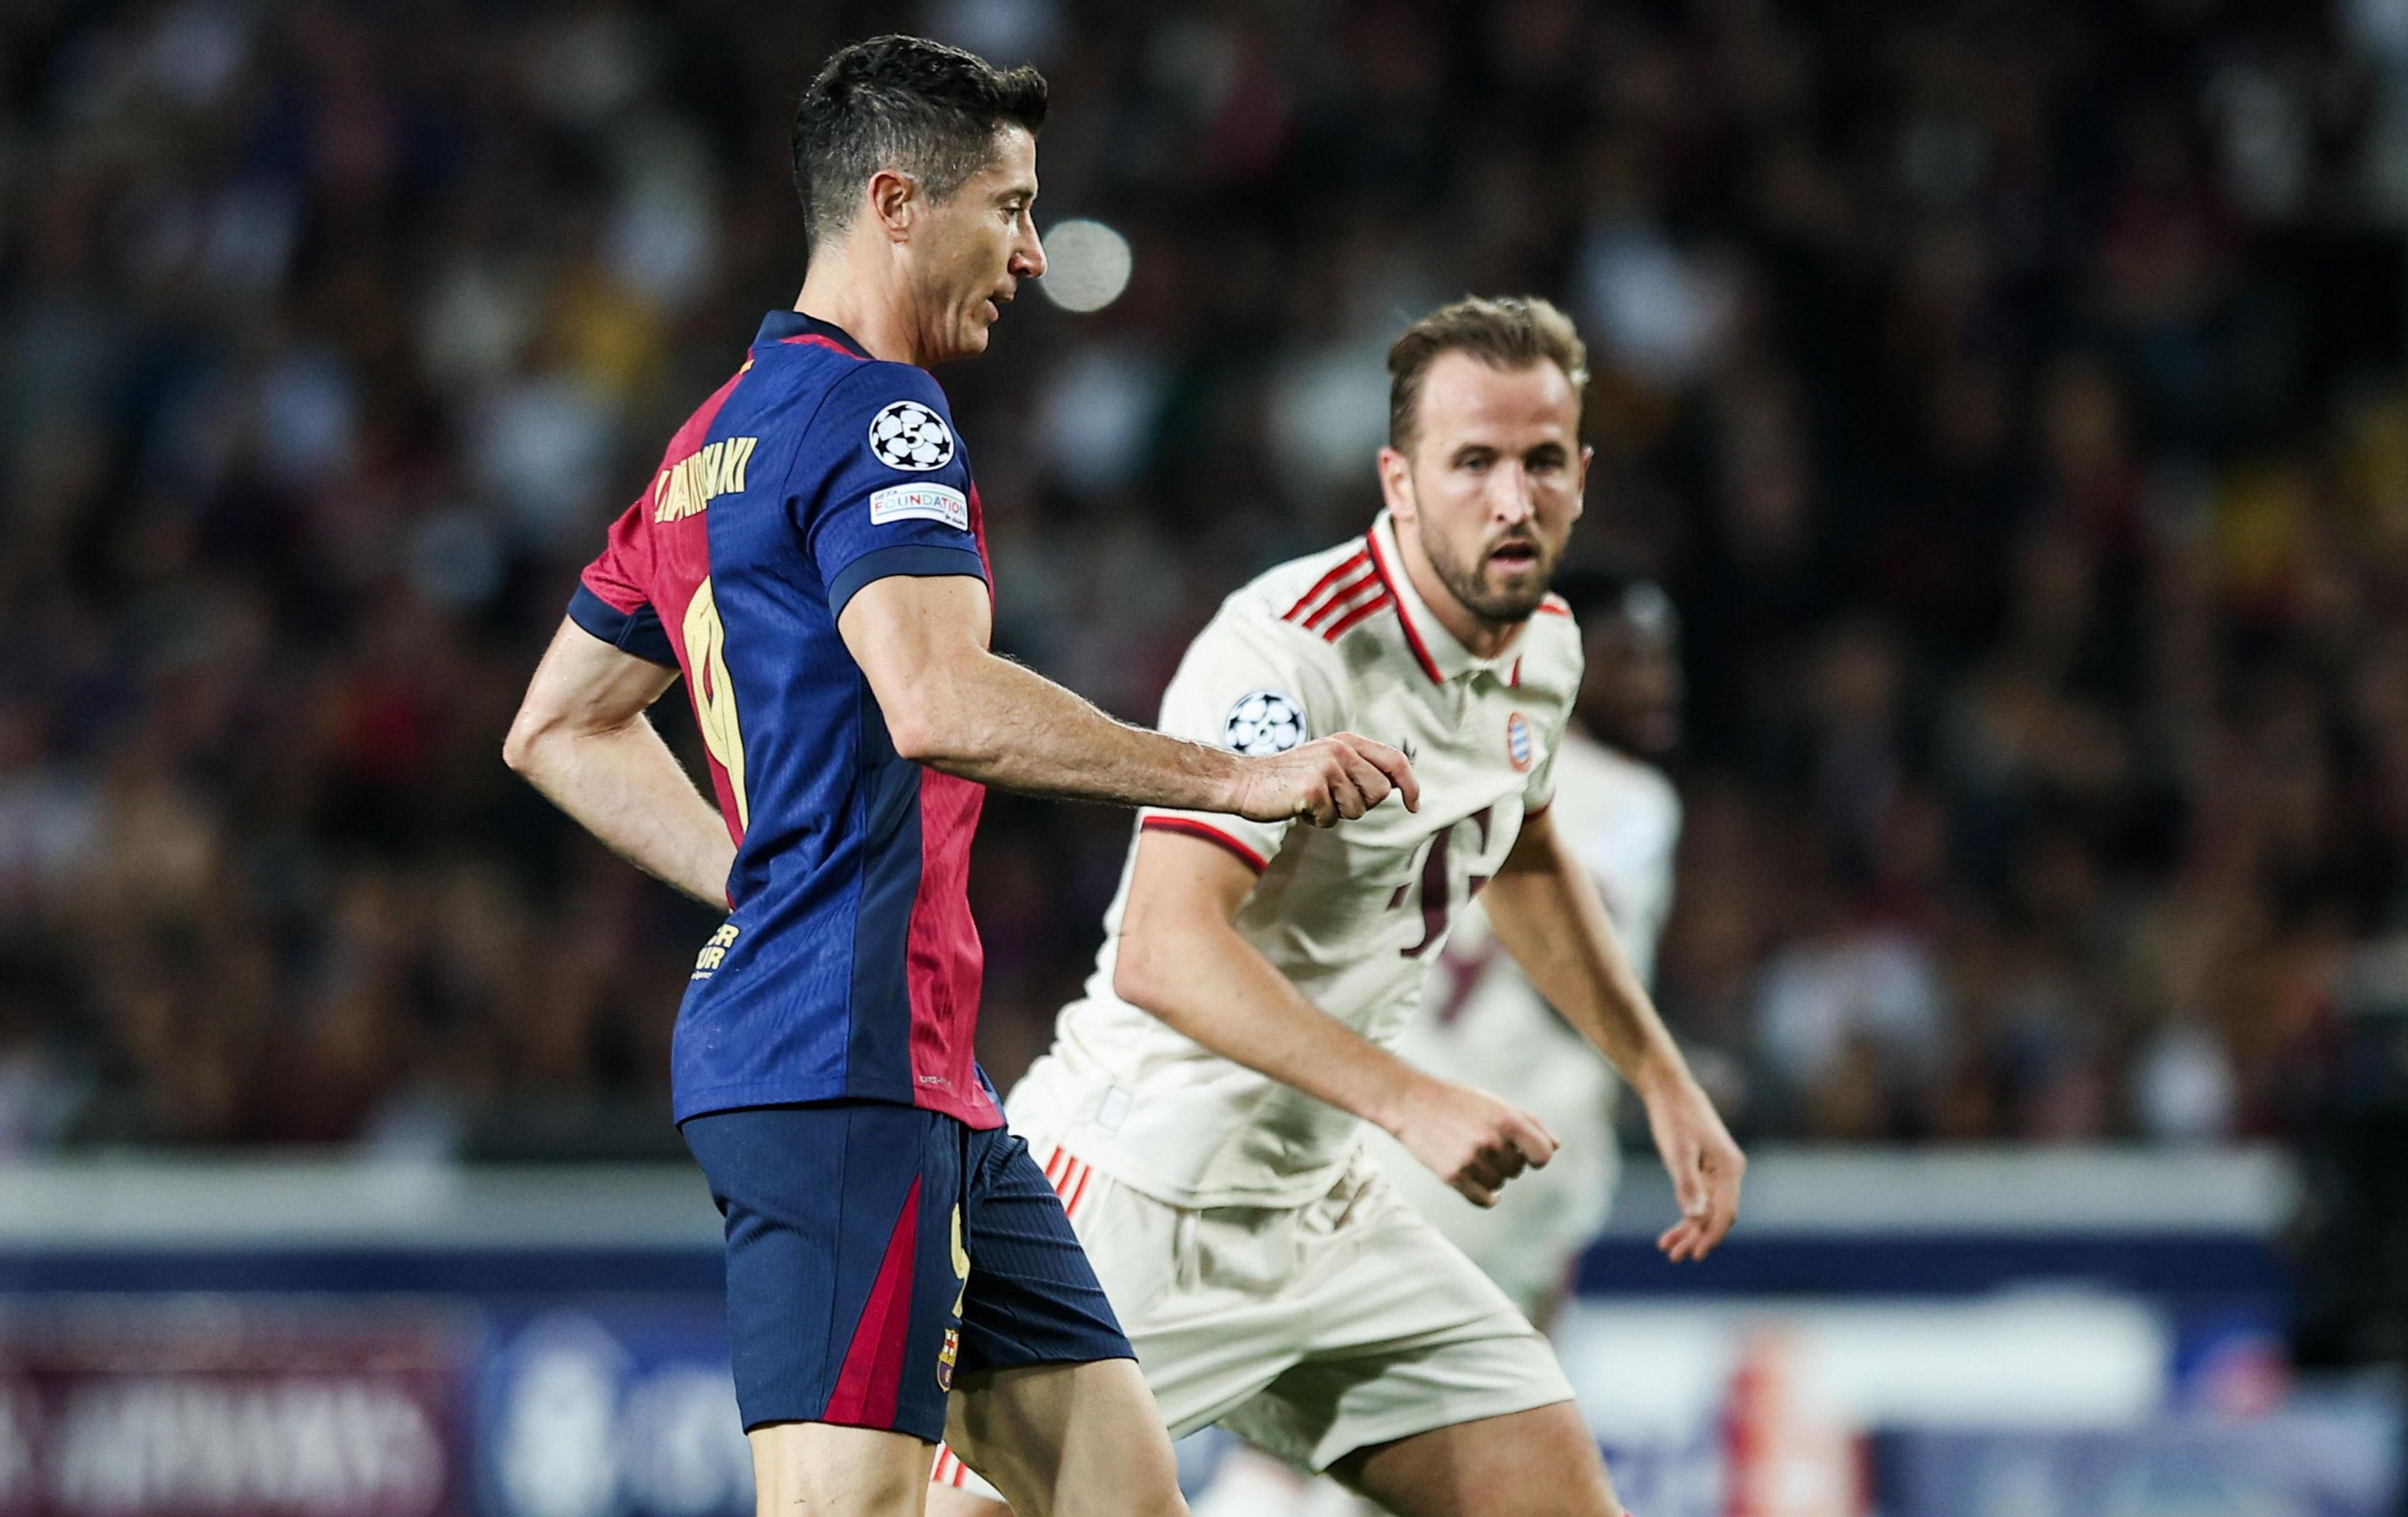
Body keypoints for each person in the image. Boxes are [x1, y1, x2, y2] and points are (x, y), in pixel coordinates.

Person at [501, 35, 1418, 1517]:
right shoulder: (882, 416)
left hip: (914, 1072)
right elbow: (935, 701)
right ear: (896, 204)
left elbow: (557, 723)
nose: (1036, 254)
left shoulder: (704, 447)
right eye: (1010, 208)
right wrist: (1227, 780)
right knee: (844, 1506)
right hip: (841, 1059)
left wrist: (757, 875)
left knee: (1120, 1495)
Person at [926, 296, 1744, 1517]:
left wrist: (1660, 1078)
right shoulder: (1290, 655)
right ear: (1398, 481)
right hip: (1140, 1197)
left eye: (1540, 463)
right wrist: (1411, 1101)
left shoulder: (1549, 650)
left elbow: (1516, 846)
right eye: (1473, 462)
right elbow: (1163, 949)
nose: (1512, 499)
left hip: (1322, 1212)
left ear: (1582, 475)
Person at [1197, 574, 1687, 1517]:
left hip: (1362, 1139)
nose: (1660, 680)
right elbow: (1579, 989)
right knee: (1438, 1471)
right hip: (1496, 1162)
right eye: (1634, 655)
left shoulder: (1428, 752)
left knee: (1293, 1443)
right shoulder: (1631, 800)